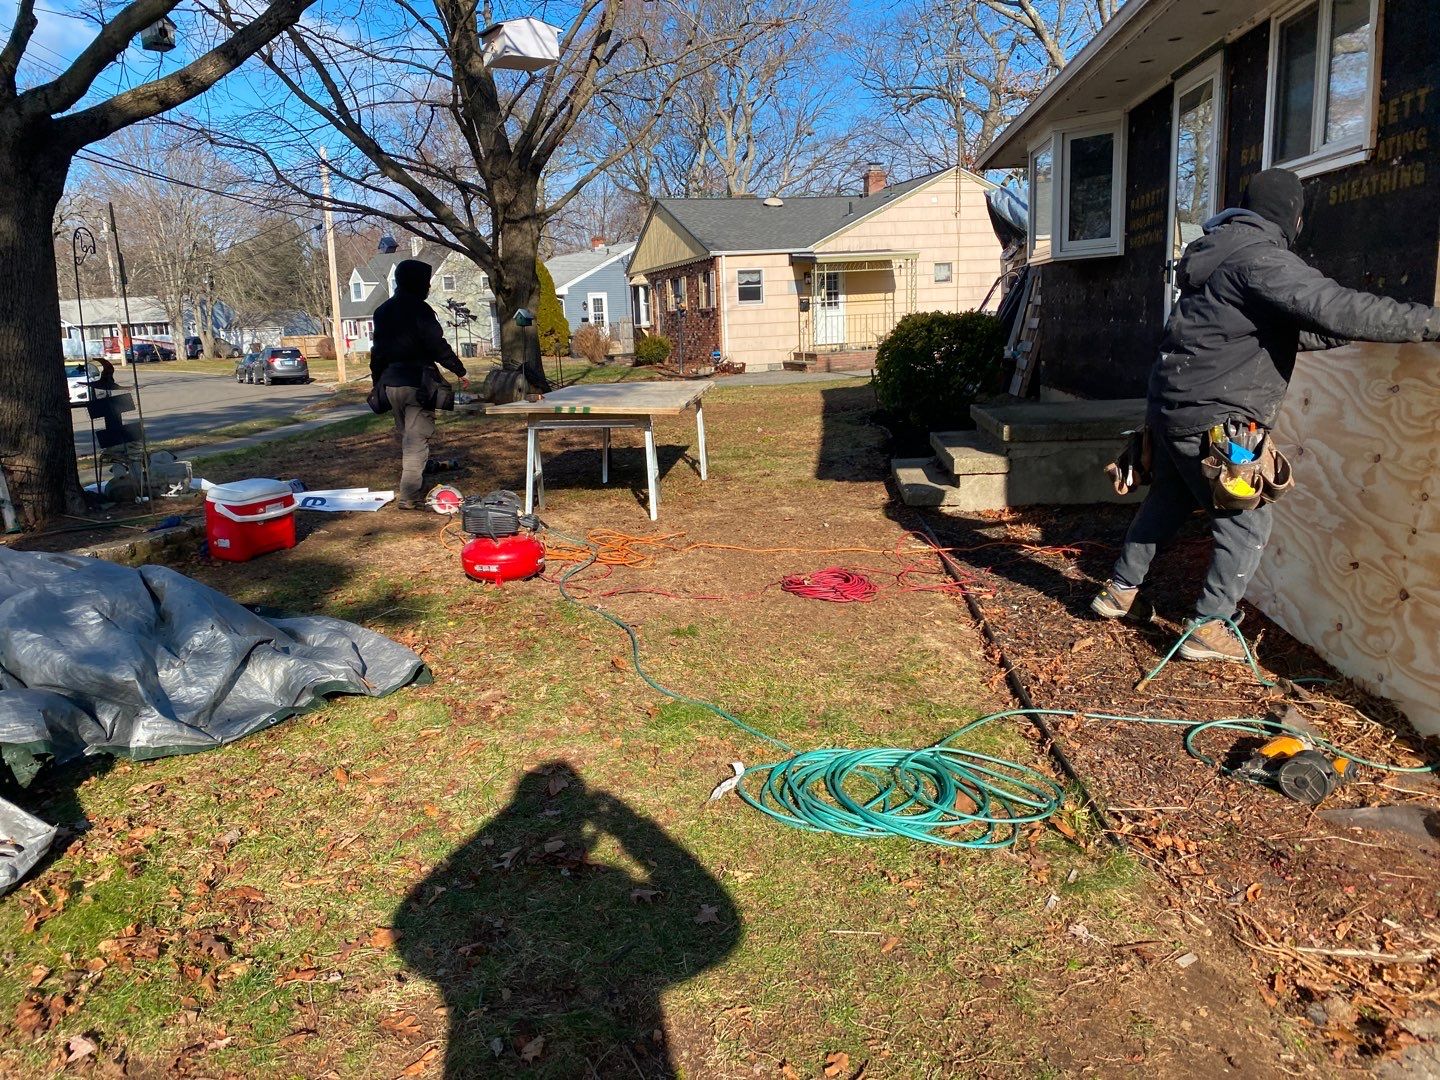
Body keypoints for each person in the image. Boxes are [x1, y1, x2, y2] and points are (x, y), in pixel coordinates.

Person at [1091, 168, 1440, 662]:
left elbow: (1257, 329)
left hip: (1171, 408)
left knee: (1170, 497)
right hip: (1220, 417)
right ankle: (1207, 626)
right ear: (1290, 215)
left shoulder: (1218, 254)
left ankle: (1119, 591)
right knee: (1246, 522)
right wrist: (1428, 322)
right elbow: (1339, 306)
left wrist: (1333, 331)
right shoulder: (1261, 258)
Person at [369, 259, 468, 509]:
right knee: (416, 441)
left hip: (391, 384)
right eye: (427, 282)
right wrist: (459, 370)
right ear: (418, 283)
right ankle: (410, 496)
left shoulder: (382, 311)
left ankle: (420, 477)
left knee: (408, 437)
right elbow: (435, 344)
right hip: (417, 384)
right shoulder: (419, 310)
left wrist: (377, 381)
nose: (429, 286)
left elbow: (377, 351)